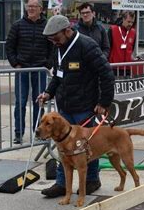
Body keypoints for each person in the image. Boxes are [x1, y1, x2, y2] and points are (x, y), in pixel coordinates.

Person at [37, 15, 115, 198]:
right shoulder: (58, 48)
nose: (54, 42)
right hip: (65, 106)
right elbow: (58, 75)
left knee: (86, 146)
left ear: (67, 30)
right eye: (50, 39)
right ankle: (62, 184)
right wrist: (48, 92)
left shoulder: (87, 46)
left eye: (56, 37)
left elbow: (106, 73)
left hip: (85, 106)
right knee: (63, 146)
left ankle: (92, 180)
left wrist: (104, 102)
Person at [6, 0, 52, 144]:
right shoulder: (18, 25)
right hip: (23, 69)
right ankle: (18, 133)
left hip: (40, 70)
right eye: (29, 6)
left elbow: (53, 47)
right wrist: (15, 63)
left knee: (39, 102)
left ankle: (39, 132)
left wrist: (48, 64)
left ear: (41, 9)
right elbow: (9, 46)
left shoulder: (47, 26)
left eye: (34, 6)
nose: (31, 9)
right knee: (20, 102)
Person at [108, 11, 136, 76]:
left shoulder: (133, 32)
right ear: (123, 19)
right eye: (128, 21)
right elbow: (108, 48)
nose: (130, 24)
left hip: (127, 67)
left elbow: (132, 48)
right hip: (114, 67)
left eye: (132, 22)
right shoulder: (113, 29)